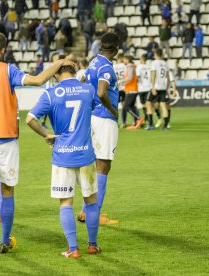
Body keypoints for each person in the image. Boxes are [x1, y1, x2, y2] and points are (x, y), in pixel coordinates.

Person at [0, 30, 75, 262]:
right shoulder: (8, 70)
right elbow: (38, 80)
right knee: (7, 190)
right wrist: (58, 62)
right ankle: (5, 241)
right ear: (3, 49)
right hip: (6, 140)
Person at [26, 65, 101, 259]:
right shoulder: (88, 89)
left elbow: (30, 119)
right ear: (74, 73)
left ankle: (73, 249)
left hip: (62, 155)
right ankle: (92, 245)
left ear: (57, 74)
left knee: (66, 202)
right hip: (85, 154)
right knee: (91, 202)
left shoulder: (51, 93)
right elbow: (92, 107)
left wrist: (46, 135)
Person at [77, 32, 120, 225]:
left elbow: (84, 82)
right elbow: (102, 92)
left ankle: (86, 210)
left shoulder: (94, 62)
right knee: (103, 166)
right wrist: (113, 110)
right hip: (104, 118)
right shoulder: (106, 67)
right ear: (117, 49)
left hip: (92, 117)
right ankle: (96, 214)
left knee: (94, 165)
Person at [145, 49, 170, 131]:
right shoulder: (165, 63)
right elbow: (168, 77)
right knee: (163, 106)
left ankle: (151, 125)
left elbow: (153, 74)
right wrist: (166, 88)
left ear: (155, 54)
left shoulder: (154, 63)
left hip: (156, 86)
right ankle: (165, 126)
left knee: (148, 103)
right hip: (163, 87)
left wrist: (153, 87)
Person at [118, 55, 144, 129]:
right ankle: (136, 123)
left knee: (126, 107)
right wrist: (122, 78)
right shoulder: (132, 67)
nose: (123, 61)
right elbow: (130, 77)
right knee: (132, 107)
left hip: (131, 90)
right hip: (133, 89)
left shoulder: (129, 67)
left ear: (127, 59)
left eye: (124, 59)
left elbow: (129, 78)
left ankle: (138, 119)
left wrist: (120, 81)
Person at [136, 54, 151, 122]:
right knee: (147, 104)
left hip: (141, 88)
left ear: (142, 59)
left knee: (143, 104)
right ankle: (147, 117)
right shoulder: (149, 67)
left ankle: (146, 117)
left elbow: (137, 76)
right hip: (148, 87)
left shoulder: (139, 67)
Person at [113, 53, 127, 127]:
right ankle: (124, 123)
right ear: (122, 58)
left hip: (116, 88)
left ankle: (115, 122)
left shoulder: (114, 66)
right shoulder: (125, 66)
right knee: (124, 106)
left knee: (115, 106)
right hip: (124, 88)